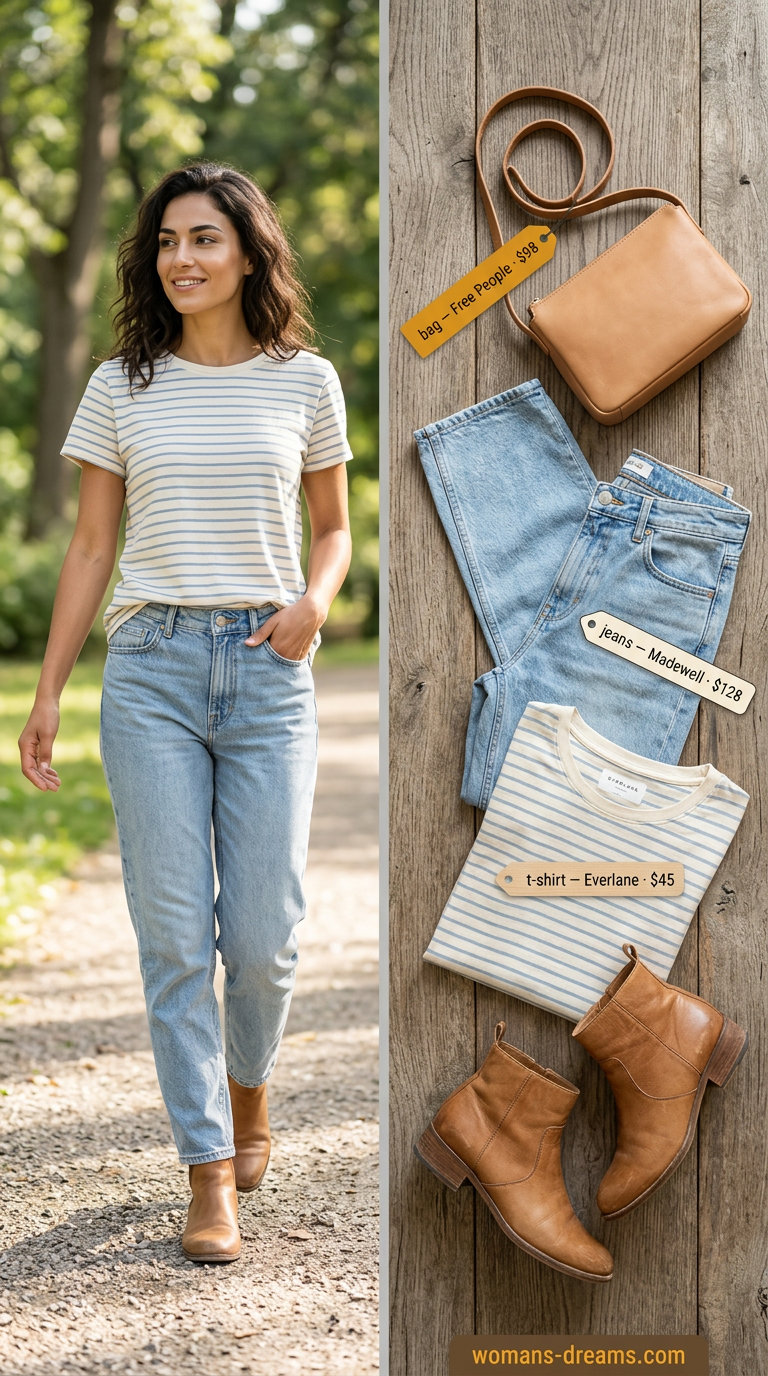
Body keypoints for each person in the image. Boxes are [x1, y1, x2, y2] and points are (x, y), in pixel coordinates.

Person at [18, 163, 353, 1264]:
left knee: (263, 938)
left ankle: (250, 1087)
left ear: (249, 253)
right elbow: (91, 546)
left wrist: (315, 601)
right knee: (173, 940)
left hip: (267, 669)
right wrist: (50, 688)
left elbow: (334, 527)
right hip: (151, 669)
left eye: (204, 238)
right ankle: (208, 1171)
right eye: (167, 241)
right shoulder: (122, 386)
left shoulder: (306, 381)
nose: (182, 259)